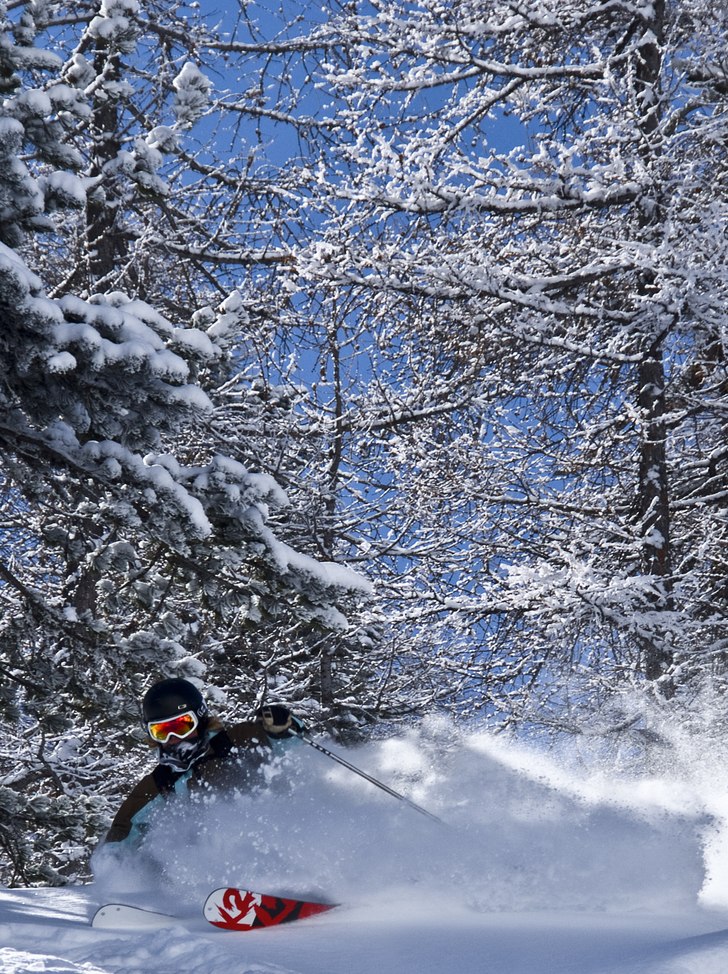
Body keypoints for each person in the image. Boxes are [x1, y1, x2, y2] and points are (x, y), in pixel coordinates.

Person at [102, 677, 304, 847]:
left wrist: (284, 729)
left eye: (182, 726)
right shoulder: (161, 783)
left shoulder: (239, 739)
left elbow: (293, 748)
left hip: (285, 832)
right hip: (218, 866)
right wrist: (114, 872)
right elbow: (122, 835)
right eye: (161, 731)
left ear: (199, 718)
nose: (173, 737)